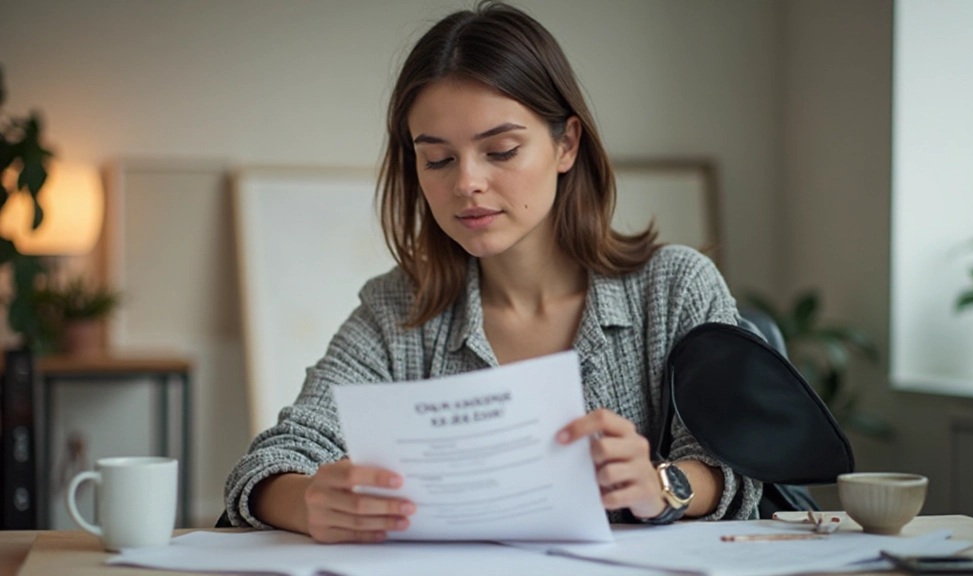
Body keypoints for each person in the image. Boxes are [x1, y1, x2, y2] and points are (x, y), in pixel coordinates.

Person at [224, 1, 761, 543]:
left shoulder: (675, 288)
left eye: (500, 151)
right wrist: (307, 501)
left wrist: (659, 485)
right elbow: (274, 459)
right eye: (438, 160)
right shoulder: (398, 312)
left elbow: (740, 468)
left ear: (566, 144)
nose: (467, 183)